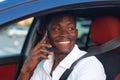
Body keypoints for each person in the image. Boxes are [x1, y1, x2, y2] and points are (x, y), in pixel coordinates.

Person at [17, 13, 106, 80]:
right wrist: (25, 71)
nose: (64, 34)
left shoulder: (89, 65)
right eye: (57, 29)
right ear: (48, 37)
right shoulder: (44, 64)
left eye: (70, 28)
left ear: (76, 33)